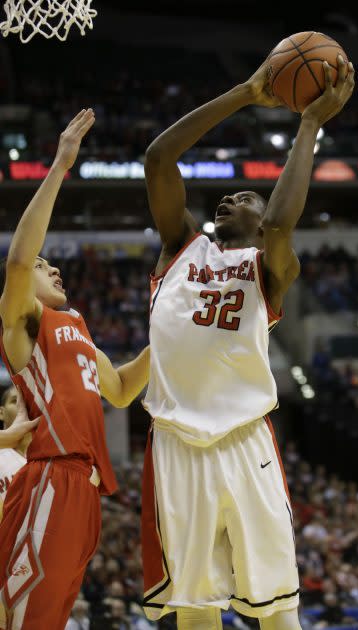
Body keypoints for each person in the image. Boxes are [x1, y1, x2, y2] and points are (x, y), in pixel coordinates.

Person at [141, 53, 355, 630]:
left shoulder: (271, 265)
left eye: (245, 198)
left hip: (244, 439)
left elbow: (284, 225)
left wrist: (309, 125)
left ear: (261, 222)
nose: (229, 200)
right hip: (176, 440)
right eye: (226, 199)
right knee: (194, 608)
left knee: (277, 603)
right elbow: (159, 158)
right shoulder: (180, 248)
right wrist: (245, 92)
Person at [0, 109, 150, 630]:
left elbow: (125, 390)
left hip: (85, 494)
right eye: (47, 266)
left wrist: (172, 339)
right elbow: (19, 261)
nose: (52, 268)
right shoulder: (24, 323)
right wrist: (61, 166)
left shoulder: (80, 329)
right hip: (50, 478)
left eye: (52, 265)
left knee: (52, 619)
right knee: (27, 619)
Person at [0, 385, 32, 521]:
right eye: (14, 401)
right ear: (1, 413)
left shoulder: (52, 455)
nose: (22, 407)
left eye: (27, 402)